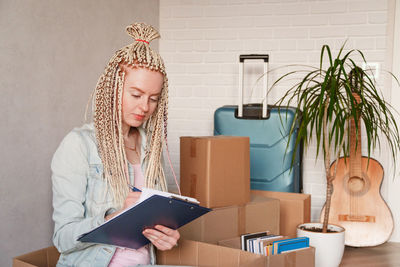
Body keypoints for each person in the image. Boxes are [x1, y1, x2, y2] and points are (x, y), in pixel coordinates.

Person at [51, 22, 180, 267]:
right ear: (113, 89)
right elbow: (63, 238)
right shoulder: (78, 146)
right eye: (136, 95)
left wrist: (166, 236)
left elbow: (152, 224)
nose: (145, 107)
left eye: (153, 99)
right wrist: (114, 217)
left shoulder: (151, 149)